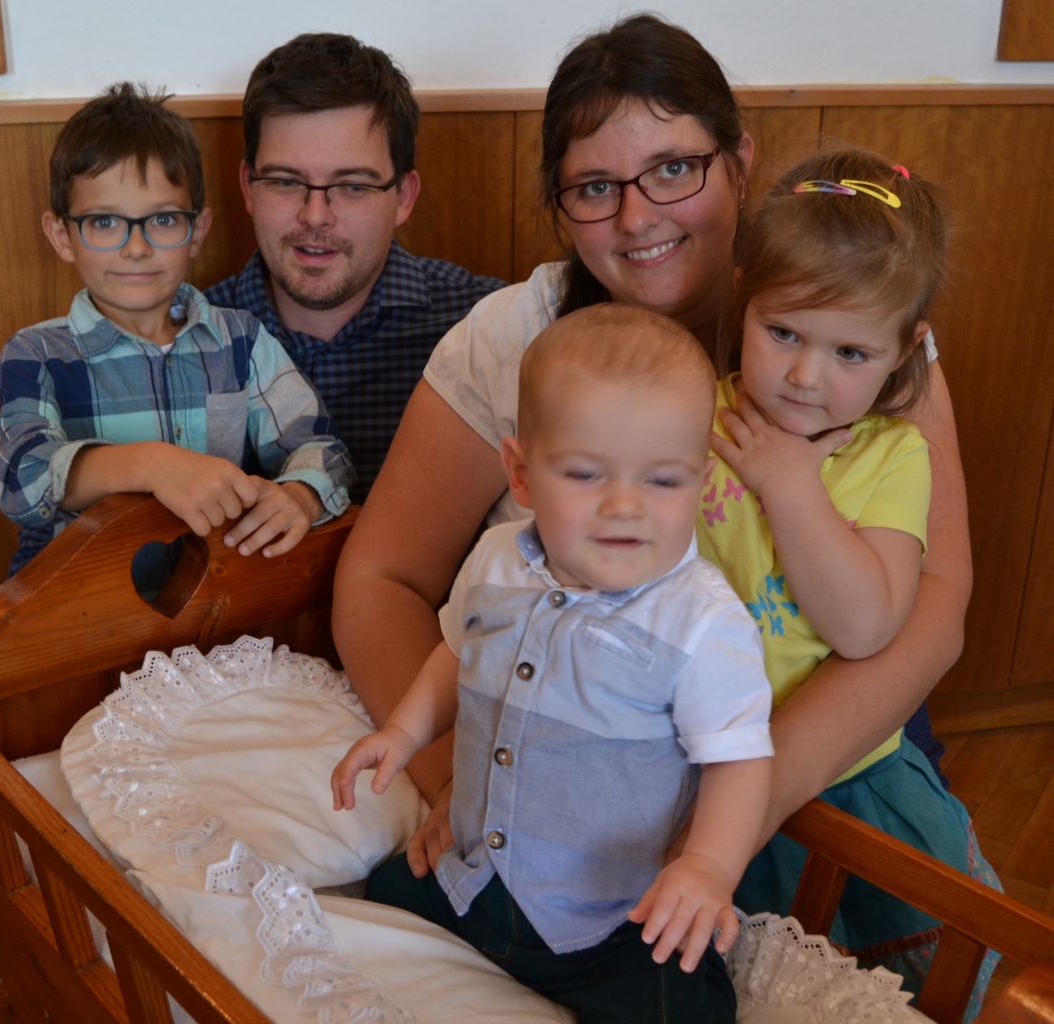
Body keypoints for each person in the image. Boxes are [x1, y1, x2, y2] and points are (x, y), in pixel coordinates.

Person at [333, 7, 971, 955]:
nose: (638, 218)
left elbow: (933, 598)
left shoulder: (853, 326)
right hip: (596, 784)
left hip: (834, 751)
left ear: (739, 163)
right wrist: (456, 778)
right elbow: (381, 576)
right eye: (594, 187)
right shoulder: (512, 338)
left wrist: (739, 806)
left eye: (674, 168)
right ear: (558, 205)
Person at [332, 305, 773, 1024]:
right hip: (473, 875)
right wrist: (403, 734)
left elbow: (739, 761)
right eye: (586, 474)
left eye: (664, 481)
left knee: (681, 1002)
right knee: (372, 910)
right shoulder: (497, 558)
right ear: (521, 473)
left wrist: (707, 867)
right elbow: (455, 655)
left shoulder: (700, 621)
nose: (624, 506)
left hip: (612, 920)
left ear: (701, 478)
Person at [697, 149, 996, 1002]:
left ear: (906, 351)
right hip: (699, 760)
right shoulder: (701, 412)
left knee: (888, 987)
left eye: (850, 353)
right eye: (783, 333)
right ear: (744, 297)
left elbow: (865, 627)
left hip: (847, 781)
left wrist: (792, 489)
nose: (804, 375)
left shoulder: (893, 456)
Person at [0, 83, 352, 575]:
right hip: (75, 603)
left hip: (218, 596)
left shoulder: (241, 341)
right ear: (62, 235)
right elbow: (21, 480)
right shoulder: (37, 354)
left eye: (162, 219)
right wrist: (151, 464)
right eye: (104, 223)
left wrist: (300, 496)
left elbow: (321, 448)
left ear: (197, 231)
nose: (136, 248)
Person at [205, 33, 507, 501]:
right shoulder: (184, 336)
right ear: (248, 187)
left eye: (353, 186)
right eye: (285, 182)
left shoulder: (487, 327)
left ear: (403, 196)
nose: (315, 216)